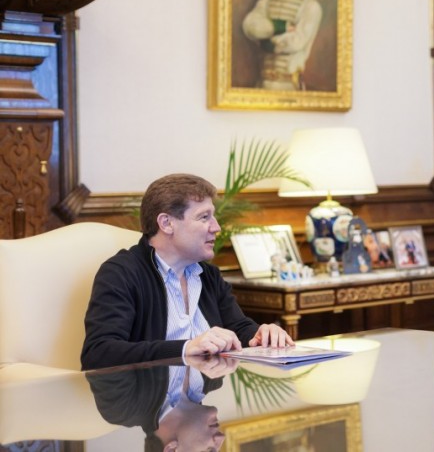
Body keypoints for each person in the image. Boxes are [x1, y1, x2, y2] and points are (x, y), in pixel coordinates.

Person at [81, 174, 294, 370]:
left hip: (202, 403)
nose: (216, 227)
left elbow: (238, 327)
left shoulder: (208, 275)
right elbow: (99, 353)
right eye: (204, 217)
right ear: (166, 223)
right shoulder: (121, 273)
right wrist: (185, 349)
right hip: (145, 407)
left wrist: (261, 335)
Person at [87, 355, 238, 452]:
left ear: (172, 449)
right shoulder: (214, 377)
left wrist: (185, 350)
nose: (220, 439)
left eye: (209, 450)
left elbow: (103, 351)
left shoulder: (121, 407)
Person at [242, 0, 323, 91]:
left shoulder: (311, 6)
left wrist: (266, 42)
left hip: (289, 86)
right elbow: (250, 26)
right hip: (262, 83)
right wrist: (280, 26)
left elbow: (296, 42)